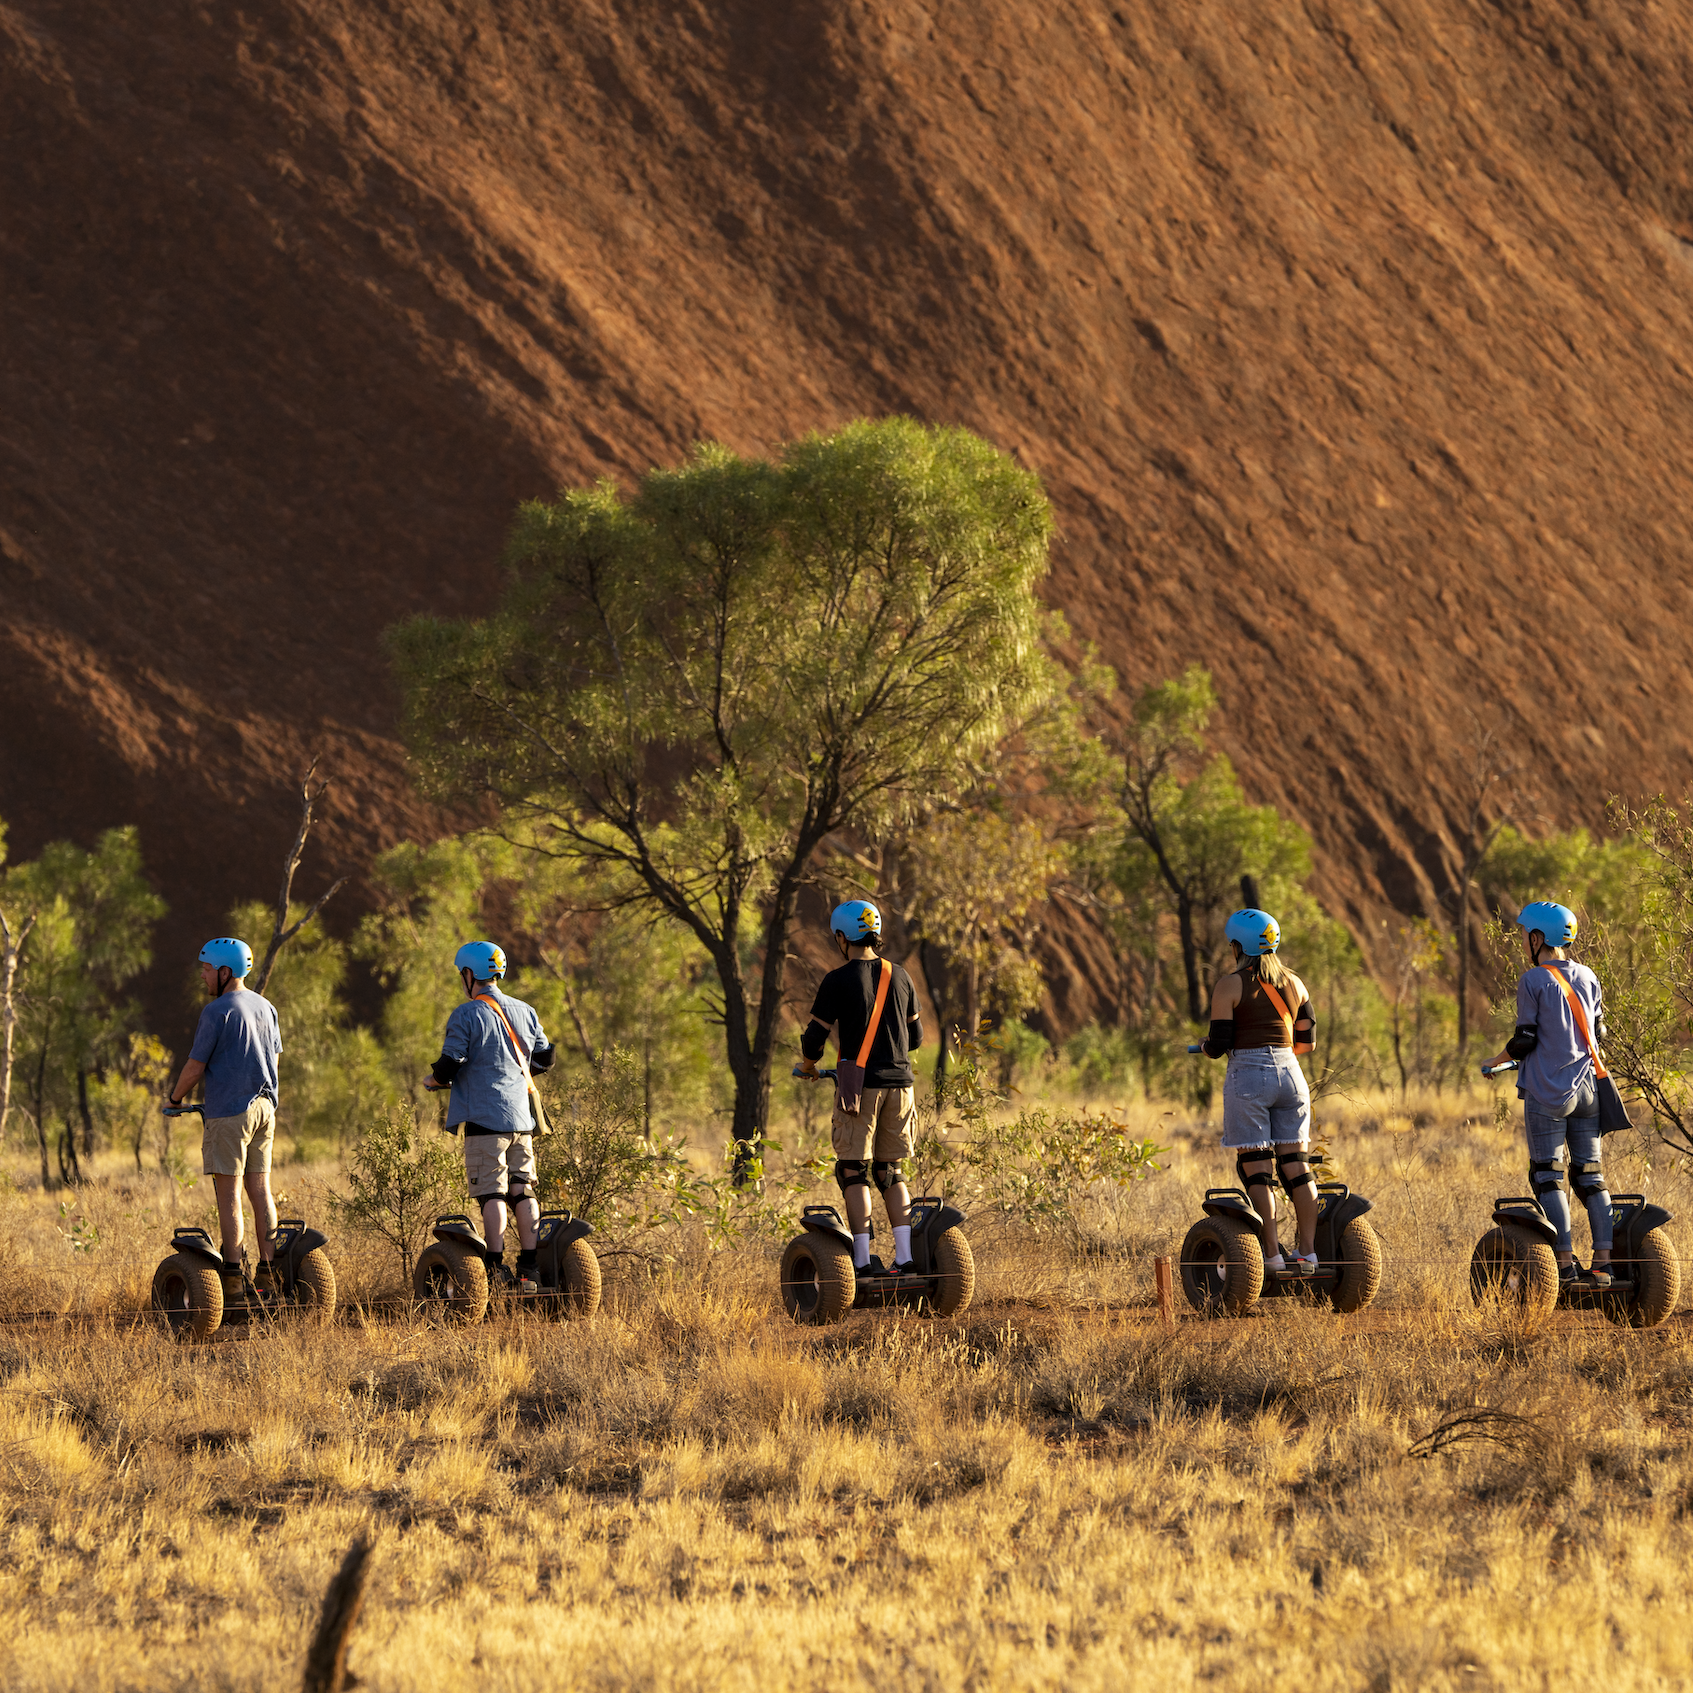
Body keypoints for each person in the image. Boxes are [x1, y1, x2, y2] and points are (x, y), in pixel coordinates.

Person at [1482, 901, 1612, 1288]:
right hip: (1588, 1089)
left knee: (1548, 1177)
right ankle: (1604, 1264)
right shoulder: (1588, 976)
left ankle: (1566, 1265)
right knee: (1591, 1176)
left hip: (1548, 1095)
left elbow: (1525, 1039)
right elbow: (1599, 1033)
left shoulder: (1534, 980)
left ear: (1538, 939)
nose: (1523, 940)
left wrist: (1496, 1060)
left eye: (1525, 935)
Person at [797, 899, 924, 1275]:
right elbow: (914, 1038)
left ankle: (863, 1261)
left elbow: (813, 1040)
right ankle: (905, 1259)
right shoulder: (901, 975)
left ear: (842, 937)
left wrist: (808, 1067)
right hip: (902, 1086)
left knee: (853, 1169)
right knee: (891, 1171)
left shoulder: (837, 980)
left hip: (860, 1088)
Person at [424, 941, 556, 1295]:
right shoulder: (526, 1010)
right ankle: (530, 1270)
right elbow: (545, 1058)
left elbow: (451, 1063)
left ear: (470, 975)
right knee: (522, 1190)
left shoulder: (466, 1014)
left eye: (461, 974)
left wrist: (434, 1081)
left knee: (492, 1194)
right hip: (521, 1120)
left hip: (485, 1119)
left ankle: (495, 1270)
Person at [1198, 908, 1319, 1275]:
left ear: (1238, 947)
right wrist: (1278, 1055)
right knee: (1296, 1168)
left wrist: (1206, 1047)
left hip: (1249, 1076)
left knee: (1257, 1171)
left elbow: (1219, 1044)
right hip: (1292, 1074)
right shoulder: (1295, 983)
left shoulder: (1230, 985)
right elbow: (1307, 1041)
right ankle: (1309, 1253)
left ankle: (1272, 1254)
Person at [166, 937, 283, 1297]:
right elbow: (275, 1059)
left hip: (230, 1114)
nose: (202, 976)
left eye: (206, 969)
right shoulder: (266, 1006)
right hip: (265, 1109)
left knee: (228, 1191)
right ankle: (269, 1271)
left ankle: (232, 1276)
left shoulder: (217, 1012)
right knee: (260, 1189)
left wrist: (175, 1098)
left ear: (224, 971)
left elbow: (195, 1066)